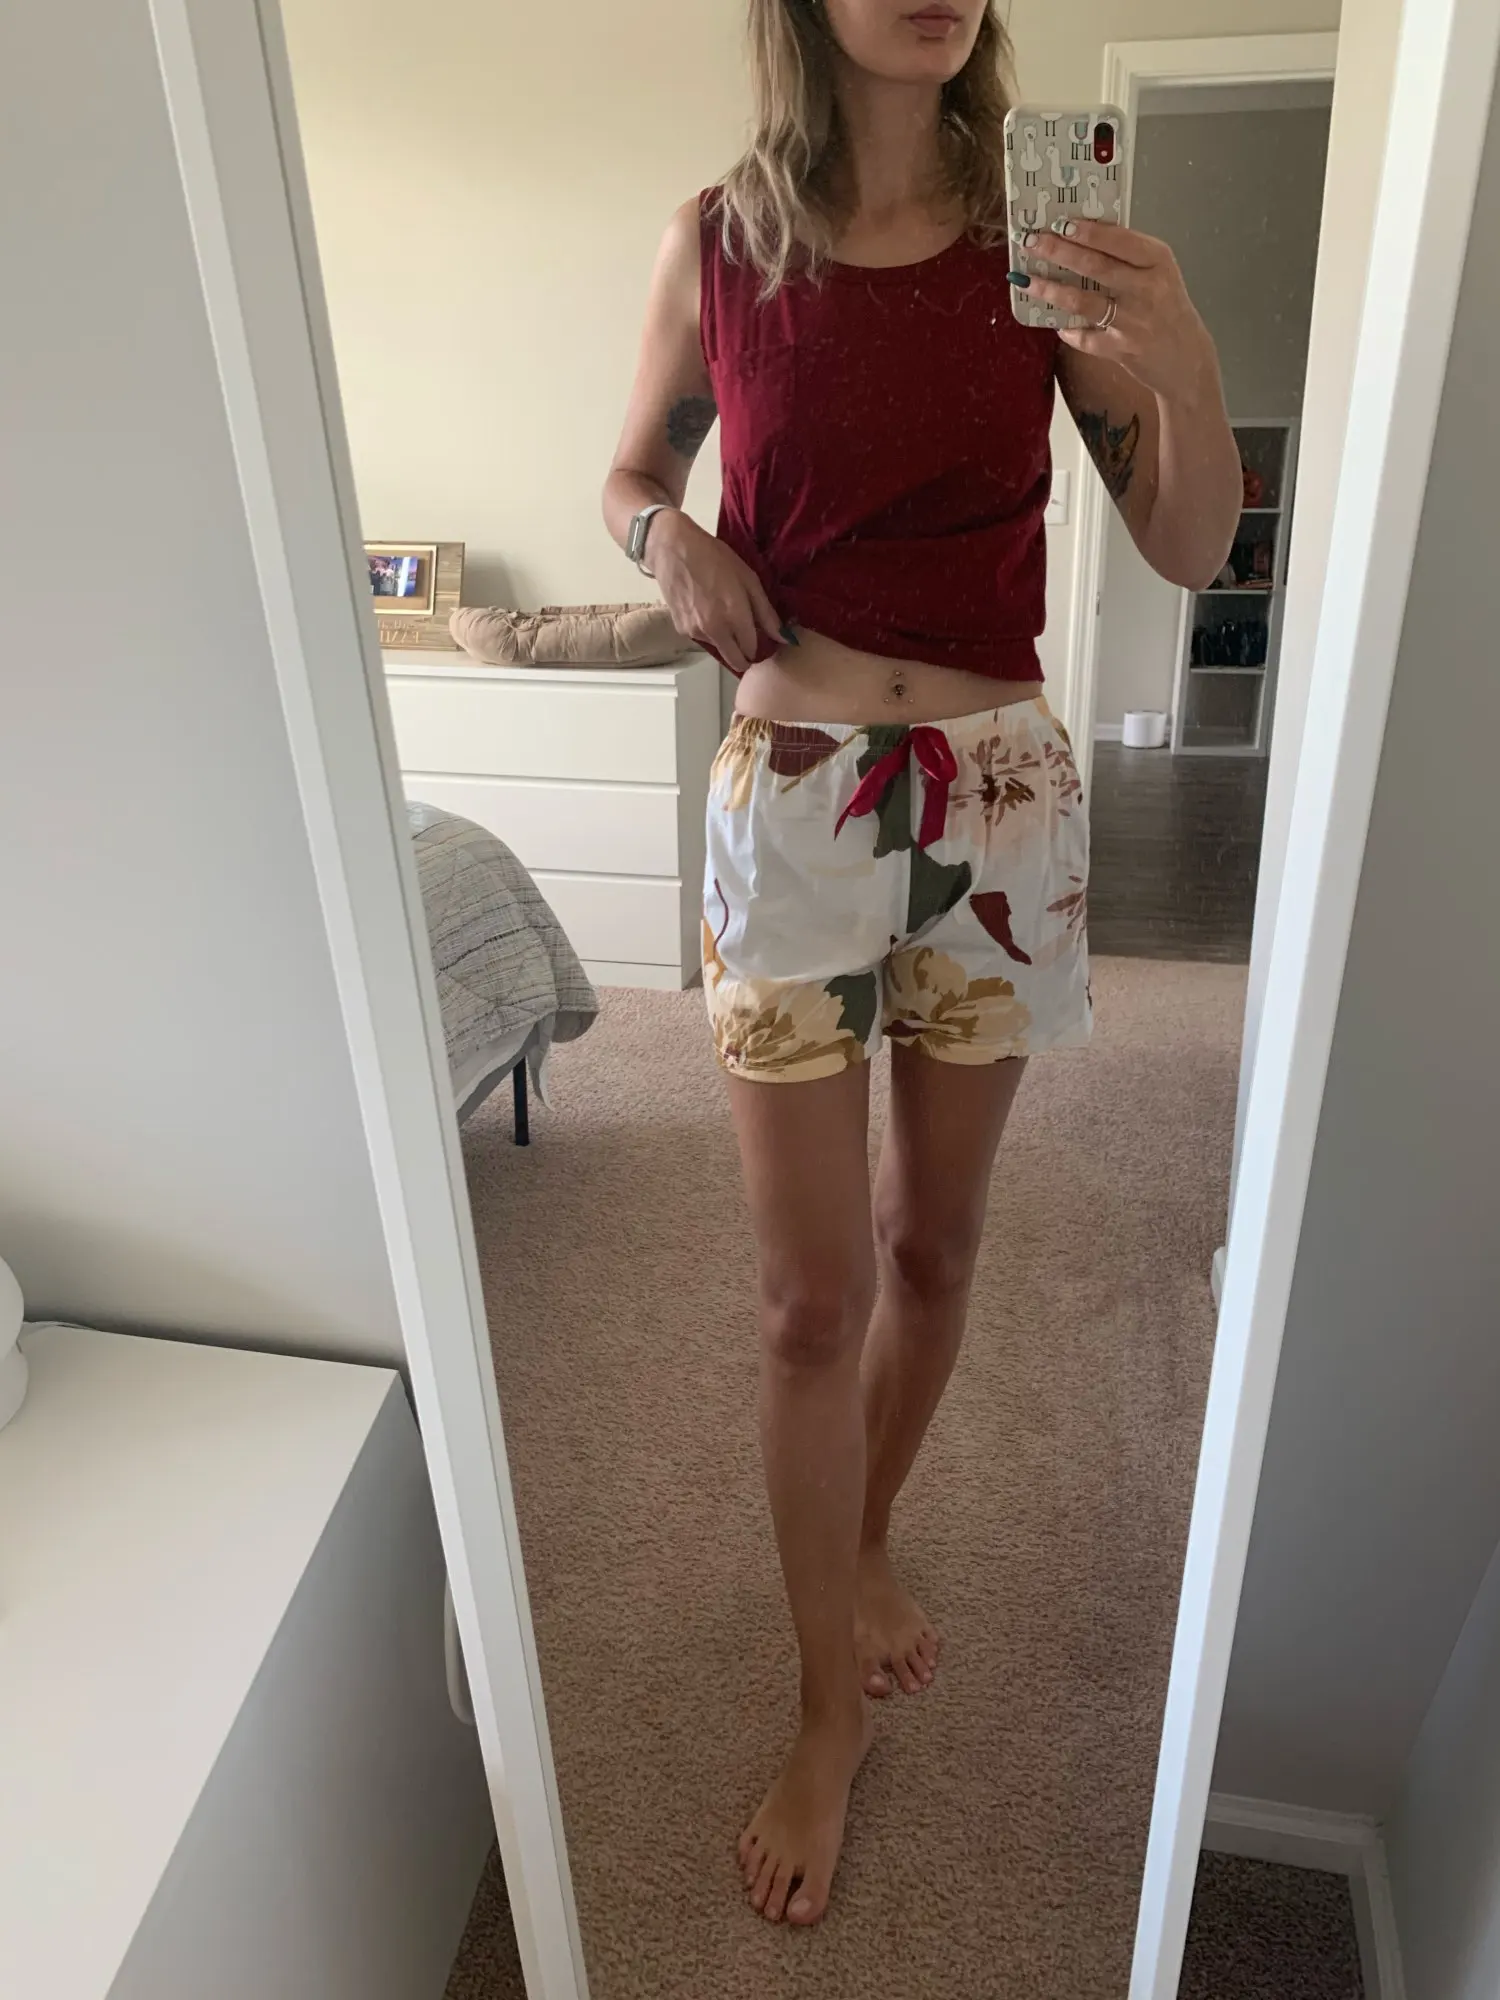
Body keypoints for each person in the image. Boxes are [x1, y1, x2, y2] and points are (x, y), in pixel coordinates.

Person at [603, 0, 1239, 1932]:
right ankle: (825, 1714)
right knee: (809, 1301)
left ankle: (864, 1537)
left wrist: (1186, 367)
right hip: (793, 793)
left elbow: (1192, 546)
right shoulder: (719, 237)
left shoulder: (1043, 235)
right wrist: (667, 541)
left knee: (933, 1252)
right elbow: (625, 473)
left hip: (1001, 797)